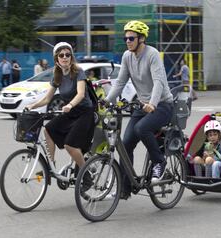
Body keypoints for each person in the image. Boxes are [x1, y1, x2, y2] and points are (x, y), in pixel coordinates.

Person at [104, 20, 174, 199]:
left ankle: (159, 162)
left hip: (162, 105)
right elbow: (120, 82)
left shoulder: (152, 55)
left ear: (141, 39)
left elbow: (158, 82)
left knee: (141, 128)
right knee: (125, 144)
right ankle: (124, 189)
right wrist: (106, 101)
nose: (127, 41)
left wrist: (153, 103)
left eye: (131, 38)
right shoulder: (127, 56)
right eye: (125, 38)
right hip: (142, 105)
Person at [25, 42, 95, 189]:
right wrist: (32, 106)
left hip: (84, 113)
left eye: (67, 55)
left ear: (71, 57)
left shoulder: (78, 72)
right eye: (61, 55)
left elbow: (81, 94)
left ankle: (85, 174)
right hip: (70, 112)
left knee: (70, 145)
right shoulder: (57, 76)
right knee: (48, 129)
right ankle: (51, 166)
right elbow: (46, 99)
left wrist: (69, 105)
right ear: (56, 59)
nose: (65, 57)